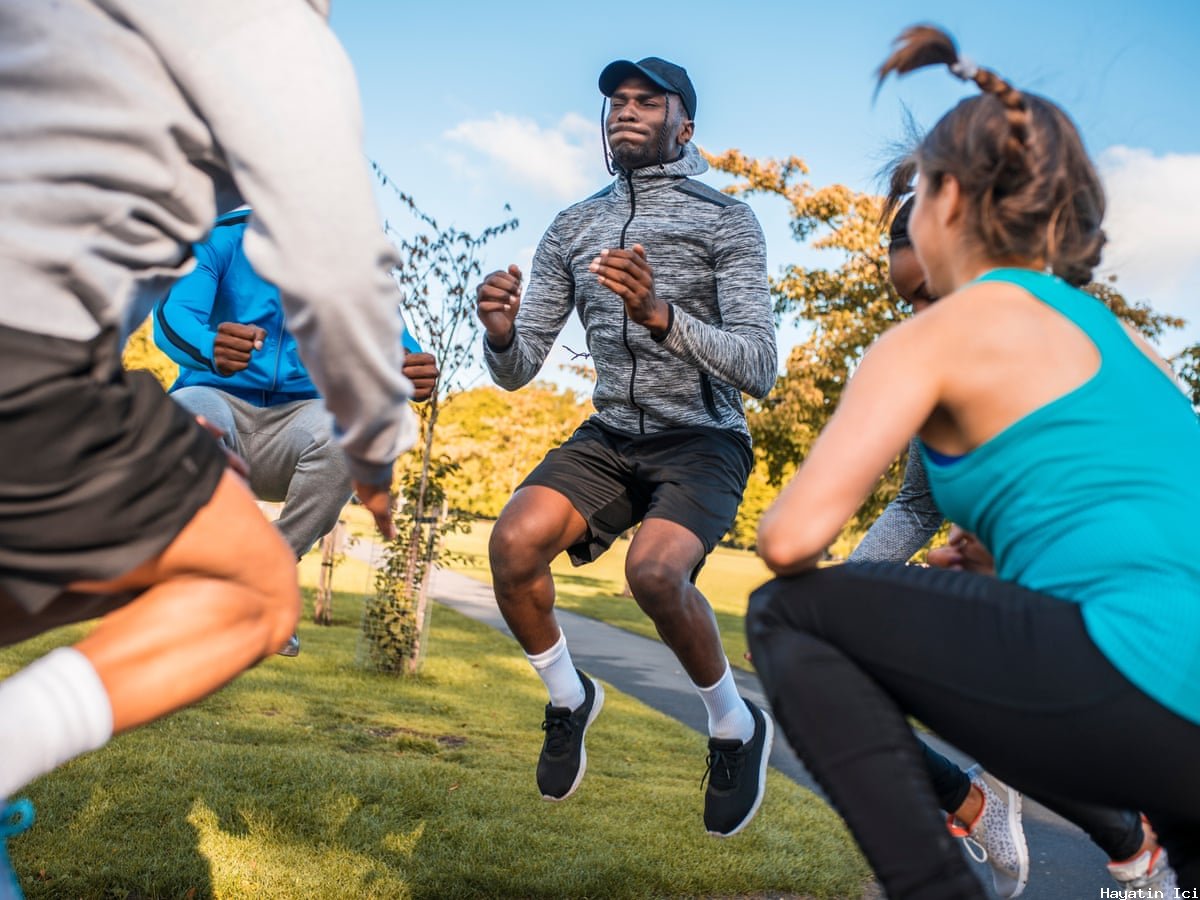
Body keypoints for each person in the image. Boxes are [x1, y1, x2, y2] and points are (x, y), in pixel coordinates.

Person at [746, 24, 1200, 899]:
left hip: (1129, 677)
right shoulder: (1133, 345)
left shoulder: (936, 335)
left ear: (946, 197)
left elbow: (790, 537)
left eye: (911, 197)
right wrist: (1003, 569)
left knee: (786, 614)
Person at [0, 1, 416, 895]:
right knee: (252, 590)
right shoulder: (273, 30)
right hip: (29, 352)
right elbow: (340, 275)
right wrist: (378, 449)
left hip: (116, 384)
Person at [475, 56, 778, 836]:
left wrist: (661, 316)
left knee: (653, 572)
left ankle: (733, 726)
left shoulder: (725, 220)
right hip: (612, 435)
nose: (626, 111)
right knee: (512, 546)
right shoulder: (572, 227)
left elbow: (761, 367)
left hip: (704, 438)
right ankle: (570, 700)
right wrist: (500, 333)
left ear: (685, 126)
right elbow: (516, 372)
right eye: (616, 101)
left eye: (648, 100)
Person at [848, 198, 1176, 897]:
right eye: (910, 304)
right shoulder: (935, 385)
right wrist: (849, 586)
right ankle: (981, 806)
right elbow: (915, 503)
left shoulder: (1079, 343)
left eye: (935, 295)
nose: (924, 320)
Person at [153, 210, 440, 655]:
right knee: (186, 418)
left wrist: (412, 371)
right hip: (216, 399)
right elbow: (172, 317)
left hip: (304, 419)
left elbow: (395, 343)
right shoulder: (220, 237)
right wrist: (209, 347)